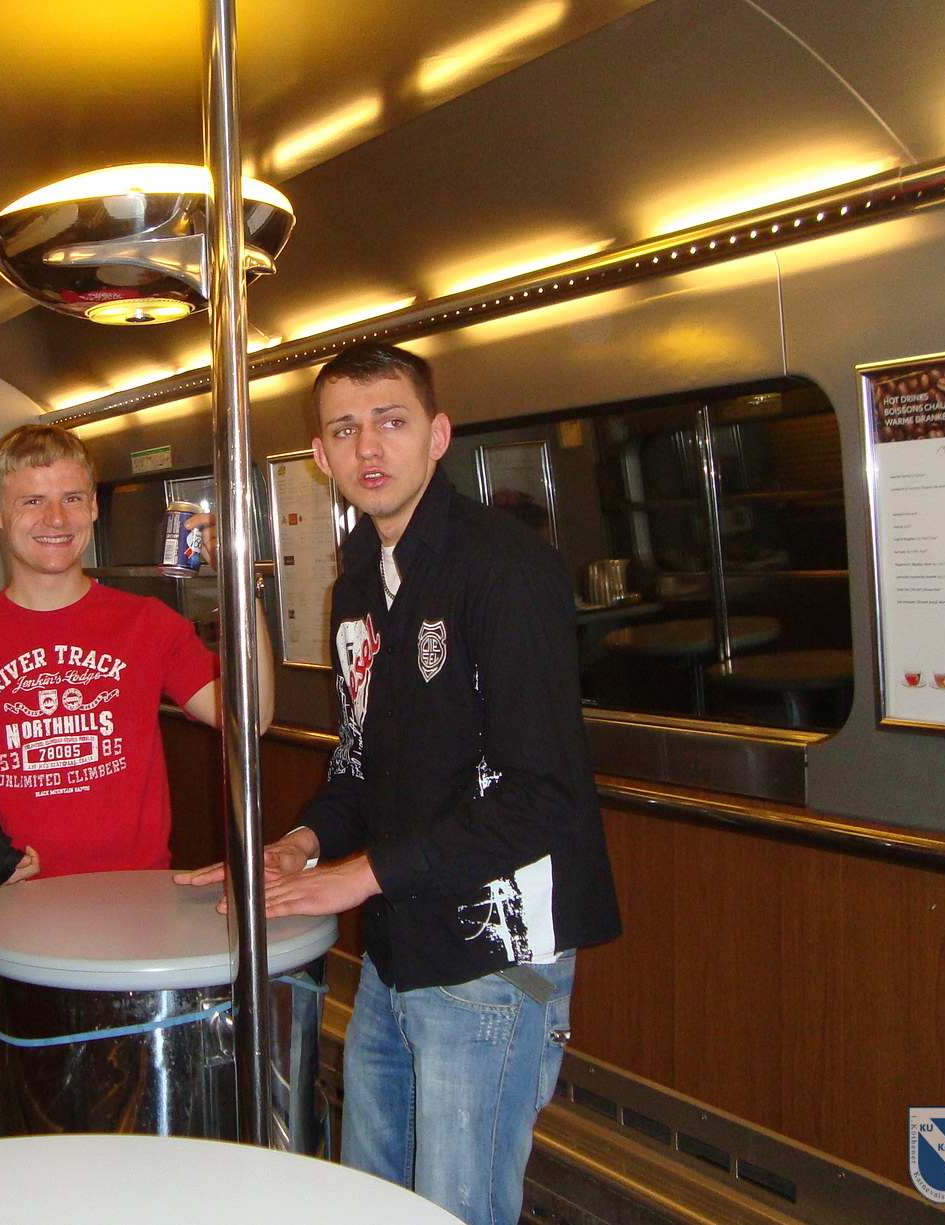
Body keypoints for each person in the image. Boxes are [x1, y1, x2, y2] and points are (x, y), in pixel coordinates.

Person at [178, 342, 620, 1225]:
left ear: (437, 434)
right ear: (320, 455)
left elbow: (544, 795)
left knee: (456, 1210)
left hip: (491, 957)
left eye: (390, 421)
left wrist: (356, 876)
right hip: (395, 949)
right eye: (344, 430)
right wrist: (299, 846)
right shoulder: (355, 585)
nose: (368, 447)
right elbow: (359, 761)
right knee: (372, 1200)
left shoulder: (503, 569)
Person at [0, 423, 273, 880]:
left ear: (93, 506)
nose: (56, 519)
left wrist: (241, 580)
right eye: (32, 501)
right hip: (14, 905)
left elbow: (250, 718)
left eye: (71, 498)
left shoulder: (148, 623)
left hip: (136, 895)